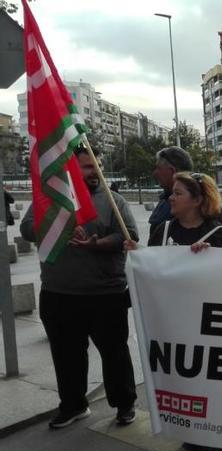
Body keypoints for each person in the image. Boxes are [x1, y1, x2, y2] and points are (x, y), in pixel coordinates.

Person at [20, 146, 138, 429]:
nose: (95, 171)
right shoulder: (49, 199)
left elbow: (129, 235)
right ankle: (73, 405)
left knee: (115, 354)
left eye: (97, 165)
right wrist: (58, 224)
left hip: (106, 295)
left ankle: (124, 404)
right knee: (66, 356)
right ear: (70, 169)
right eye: (87, 167)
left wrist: (97, 244)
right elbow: (26, 230)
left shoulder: (113, 200)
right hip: (58, 295)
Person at [125, 171, 222, 451]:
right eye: (171, 192)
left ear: (198, 200)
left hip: (209, 326)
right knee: (183, 381)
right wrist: (140, 257)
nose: (170, 197)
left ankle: (220, 442)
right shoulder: (162, 231)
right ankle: (192, 439)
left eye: (178, 193)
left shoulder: (219, 235)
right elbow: (155, 274)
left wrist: (211, 260)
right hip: (172, 325)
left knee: (210, 382)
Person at [149, 146, 222, 237]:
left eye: (158, 168)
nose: (155, 173)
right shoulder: (164, 202)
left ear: (171, 171)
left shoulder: (211, 211)